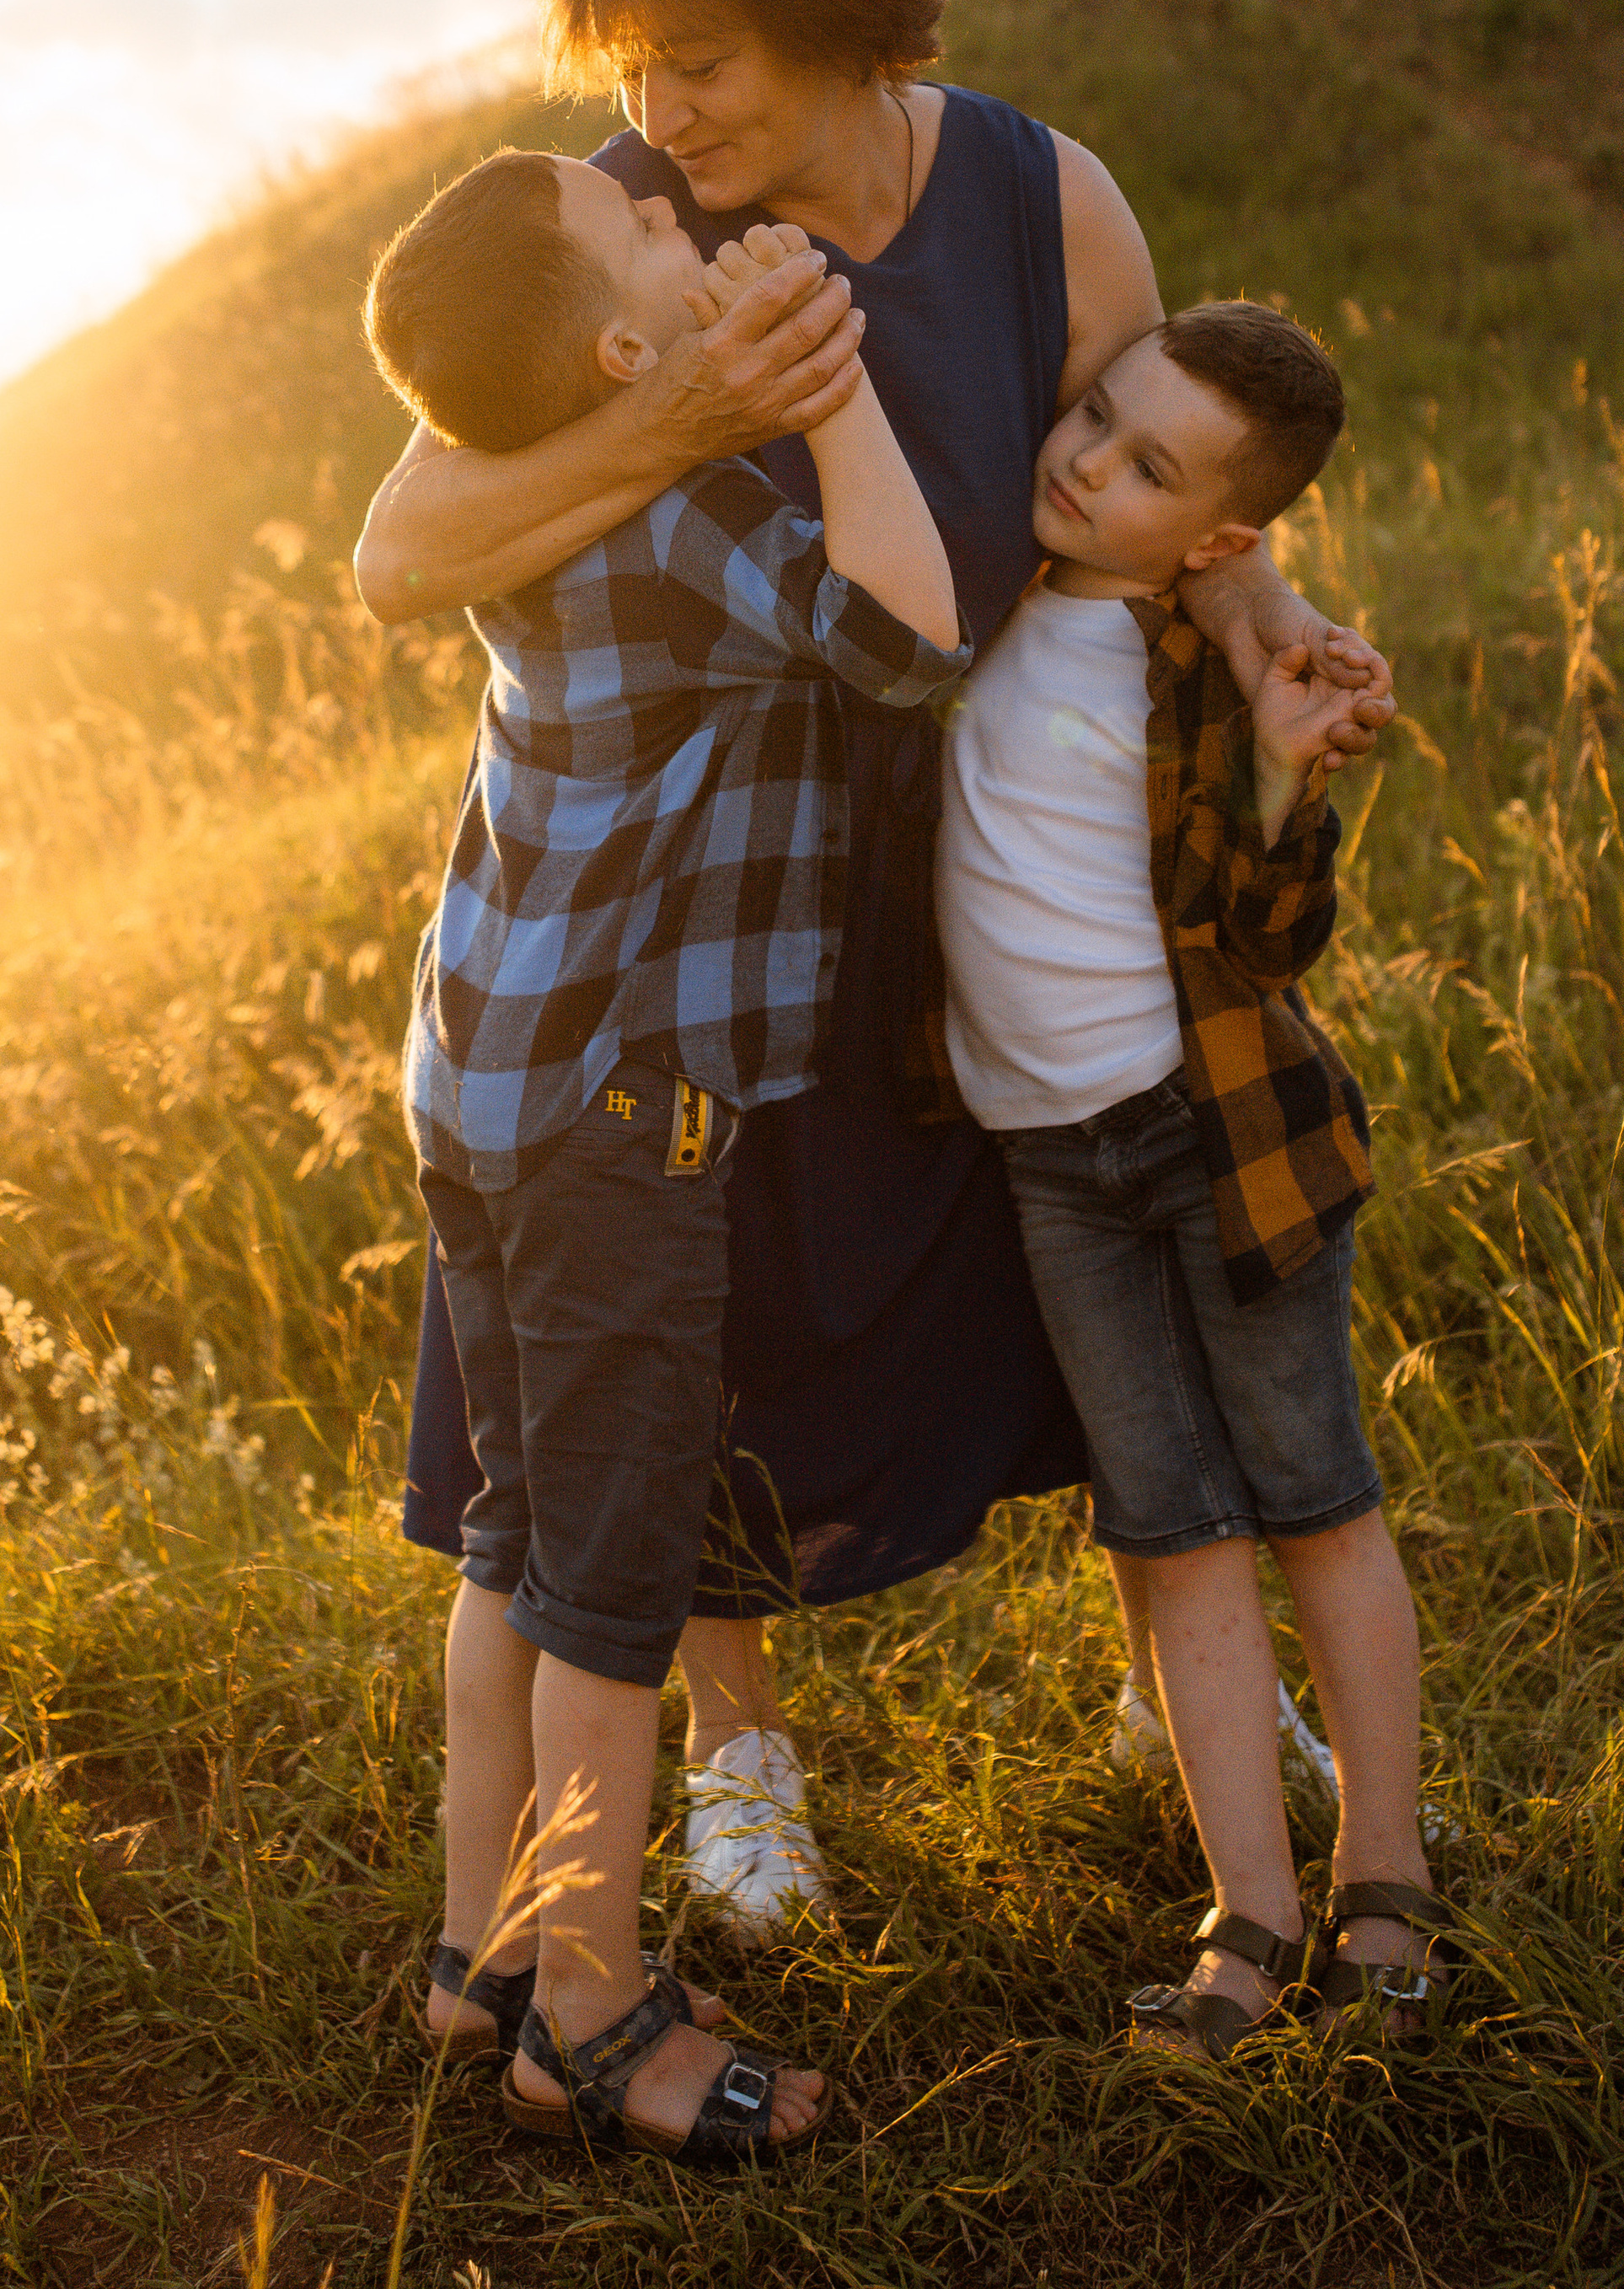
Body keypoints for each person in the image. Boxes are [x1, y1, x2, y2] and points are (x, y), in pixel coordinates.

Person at [355, 0, 1395, 1933]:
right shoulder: (627, 236)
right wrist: (693, 409)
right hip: (723, 884)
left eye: (700, 53)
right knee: (699, 1302)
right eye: (632, 58)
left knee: (1074, 1296)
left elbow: (1156, 466)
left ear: (836, 5)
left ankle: (1175, 1698)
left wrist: (1264, 597)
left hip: (1014, 853)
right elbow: (405, 539)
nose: (665, 100)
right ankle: (736, 1751)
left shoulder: (1042, 196)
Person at [362, 144, 968, 2159]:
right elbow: (904, 641)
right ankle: (595, 2016)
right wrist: (831, 384)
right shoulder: (692, 510)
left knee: (514, 1536)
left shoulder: (554, 490)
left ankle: (478, 1956)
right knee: (611, 1580)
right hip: (620, 1109)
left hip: (485, 1075)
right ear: (629, 343)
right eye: (643, 231)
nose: (680, 217)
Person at [930, 302, 1449, 2052]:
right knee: (1167, 1533)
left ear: (1220, 539)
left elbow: (1270, 935)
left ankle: (1383, 1875)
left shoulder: (1197, 665)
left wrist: (1294, 782)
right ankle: (1248, 1913)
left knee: (1309, 1496)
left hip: (1218, 1137)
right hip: (1052, 1168)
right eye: (1093, 416)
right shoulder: (981, 602)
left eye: (1146, 466)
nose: (1084, 461)